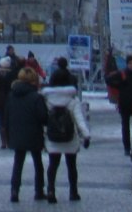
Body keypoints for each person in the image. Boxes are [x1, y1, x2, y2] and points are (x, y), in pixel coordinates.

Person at [41, 61, 90, 203]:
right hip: (70, 138)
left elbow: (43, 119)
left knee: (53, 165)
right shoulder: (72, 101)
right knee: (71, 166)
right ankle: (73, 192)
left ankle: (51, 190)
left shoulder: (47, 100)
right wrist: (86, 135)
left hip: (52, 138)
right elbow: (80, 120)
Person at [7, 66, 49, 202]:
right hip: (34, 133)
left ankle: (14, 190)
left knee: (18, 163)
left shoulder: (12, 95)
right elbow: (43, 117)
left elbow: (6, 114)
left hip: (16, 133)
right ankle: (39, 190)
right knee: (38, 163)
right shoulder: (36, 97)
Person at [108, 54, 132, 156]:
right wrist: (118, 85)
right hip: (124, 104)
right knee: (125, 127)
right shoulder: (122, 75)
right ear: (127, 64)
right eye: (130, 63)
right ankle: (127, 148)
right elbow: (108, 80)